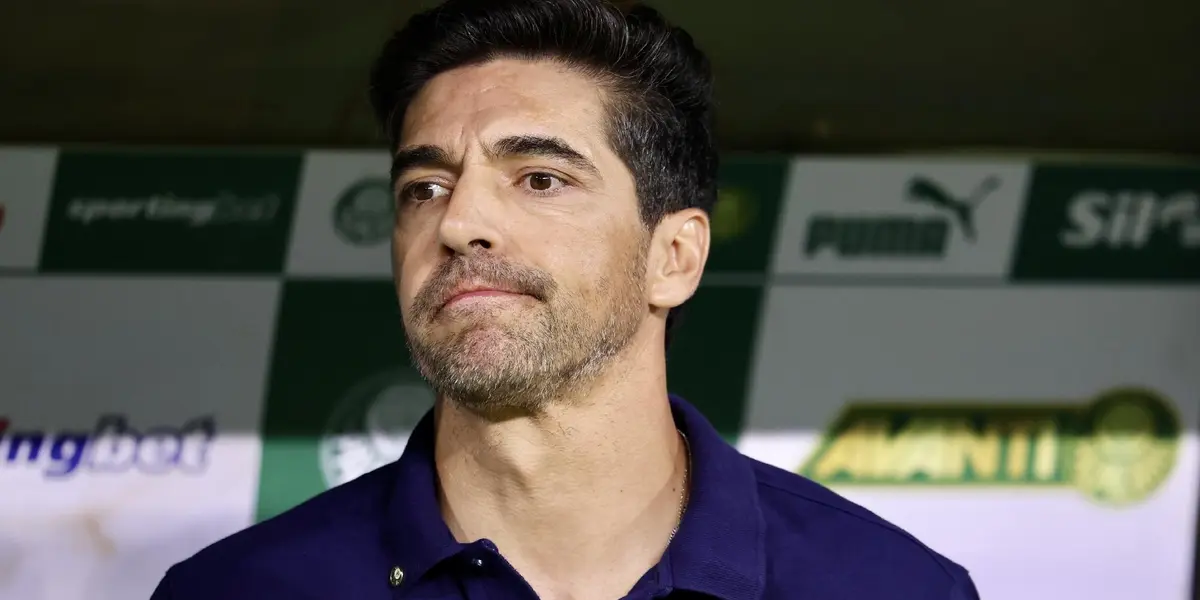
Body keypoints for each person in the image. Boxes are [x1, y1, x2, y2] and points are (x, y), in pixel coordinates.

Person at [150, 0, 980, 598]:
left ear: (675, 257)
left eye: (540, 179)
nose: (459, 222)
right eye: (425, 187)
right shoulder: (240, 589)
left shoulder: (886, 587)